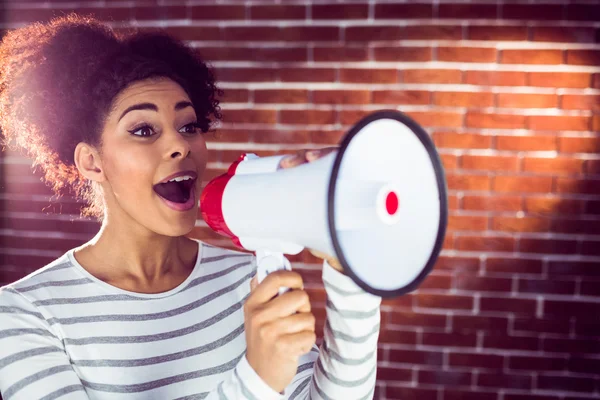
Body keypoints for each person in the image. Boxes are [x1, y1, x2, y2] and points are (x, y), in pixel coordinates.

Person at [0, 14, 381, 399]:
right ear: (92, 162)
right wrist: (258, 378)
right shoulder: (23, 314)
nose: (180, 145)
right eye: (143, 130)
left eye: (188, 126)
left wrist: (351, 278)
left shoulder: (246, 279)